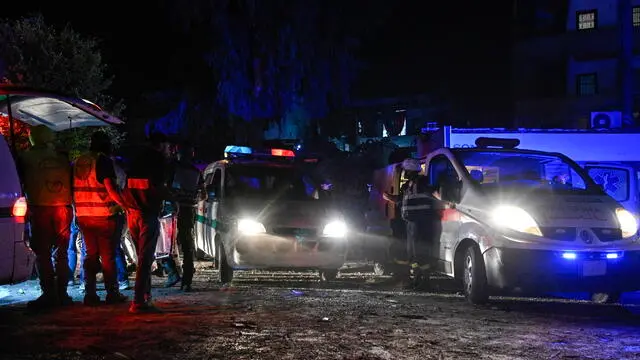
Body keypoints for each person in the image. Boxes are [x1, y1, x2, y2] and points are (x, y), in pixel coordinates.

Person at [18, 125, 74, 309]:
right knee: (62, 254)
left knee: (42, 254)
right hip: (64, 208)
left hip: (40, 208)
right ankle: (62, 293)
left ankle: (49, 293)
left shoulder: (26, 157)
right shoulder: (63, 156)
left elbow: (20, 181)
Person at [120, 132, 173, 313]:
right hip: (147, 214)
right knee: (145, 259)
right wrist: (174, 197)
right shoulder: (158, 160)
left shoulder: (136, 158)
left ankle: (145, 297)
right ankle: (138, 301)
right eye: (167, 147)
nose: (169, 151)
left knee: (141, 258)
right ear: (160, 145)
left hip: (132, 213)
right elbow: (157, 187)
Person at [73, 131, 128, 305]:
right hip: (104, 215)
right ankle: (112, 293)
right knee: (108, 256)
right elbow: (111, 189)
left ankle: (90, 294)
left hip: (84, 216)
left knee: (90, 255)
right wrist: (126, 206)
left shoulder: (78, 162)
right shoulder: (103, 161)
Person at [383, 158, 436, 290]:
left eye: (406, 171)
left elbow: (433, 193)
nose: (405, 173)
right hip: (410, 223)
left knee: (420, 253)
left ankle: (426, 281)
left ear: (412, 171)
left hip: (422, 222)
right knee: (412, 254)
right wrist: (388, 197)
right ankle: (417, 280)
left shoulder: (423, 182)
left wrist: (447, 201)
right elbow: (401, 200)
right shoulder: (407, 186)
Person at [166, 141, 204, 292]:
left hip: (172, 210)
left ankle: (173, 273)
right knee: (187, 245)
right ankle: (187, 279)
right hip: (189, 211)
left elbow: (165, 187)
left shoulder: (172, 169)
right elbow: (204, 194)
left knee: (165, 244)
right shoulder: (196, 172)